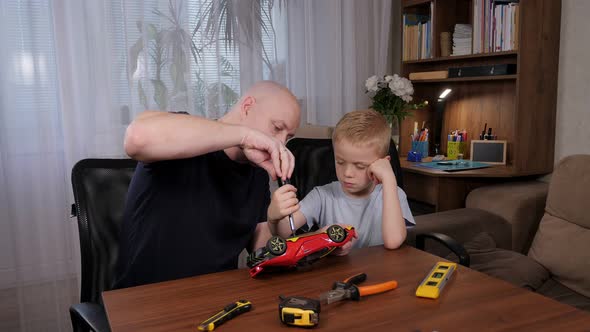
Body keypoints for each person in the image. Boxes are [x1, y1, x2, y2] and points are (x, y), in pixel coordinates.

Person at [114, 81, 301, 288]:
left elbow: (258, 247)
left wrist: (274, 222)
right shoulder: (184, 135)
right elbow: (137, 138)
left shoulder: (256, 172)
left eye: (288, 137)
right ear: (247, 107)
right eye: (277, 128)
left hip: (212, 301)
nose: (280, 143)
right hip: (146, 299)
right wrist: (245, 135)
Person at [268, 109, 414, 254]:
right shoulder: (322, 195)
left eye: (360, 166)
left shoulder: (394, 194)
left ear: (383, 164)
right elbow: (284, 233)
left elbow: (393, 241)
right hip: (335, 274)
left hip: (379, 273)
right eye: (340, 162)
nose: (347, 173)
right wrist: (273, 218)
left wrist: (388, 179)